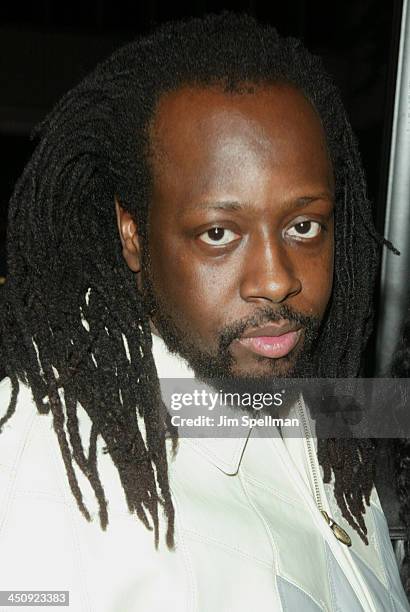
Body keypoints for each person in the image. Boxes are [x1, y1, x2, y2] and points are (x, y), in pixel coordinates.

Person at [0, 12, 408, 611]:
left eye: (303, 225)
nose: (276, 280)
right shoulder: (38, 478)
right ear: (133, 233)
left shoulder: (324, 426)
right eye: (218, 232)